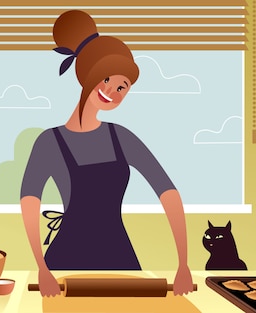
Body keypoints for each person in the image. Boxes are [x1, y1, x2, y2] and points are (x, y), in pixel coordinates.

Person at [20, 10, 194, 297]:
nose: (112, 92)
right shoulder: (49, 142)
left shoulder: (121, 137)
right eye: (107, 80)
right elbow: (29, 201)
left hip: (119, 260)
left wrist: (183, 264)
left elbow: (168, 192)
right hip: (65, 264)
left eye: (122, 87)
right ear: (87, 76)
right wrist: (41, 267)